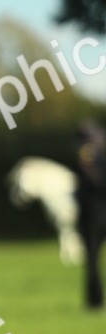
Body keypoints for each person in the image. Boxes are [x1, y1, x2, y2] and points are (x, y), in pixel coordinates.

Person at [74, 119, 106, 309]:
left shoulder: (94, 161)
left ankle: (95, 302)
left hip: (95, 217)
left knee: (92, 260)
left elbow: (98, 185)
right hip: (89, 217)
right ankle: (94, 301)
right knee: (92, 261)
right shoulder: (82, 161)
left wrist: (87, 167)